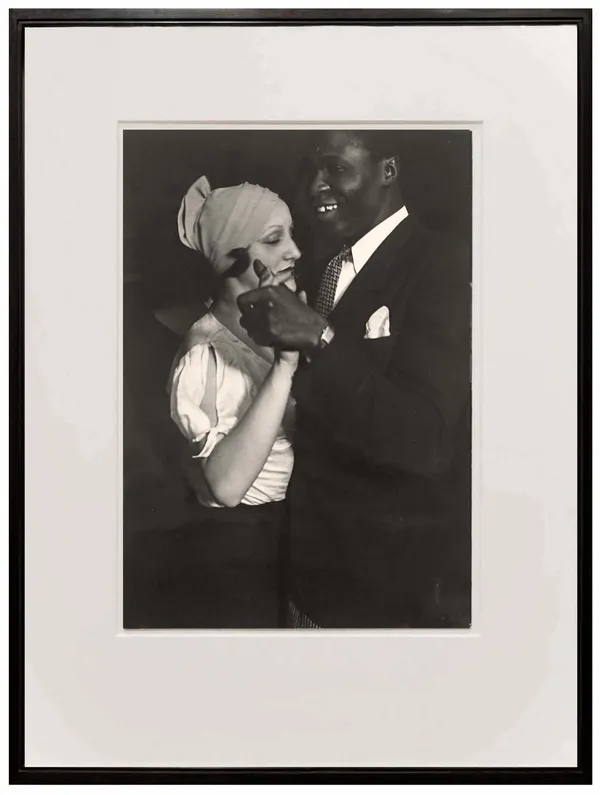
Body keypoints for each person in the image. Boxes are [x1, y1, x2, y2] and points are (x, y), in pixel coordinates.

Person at [238, 130, 472, 629]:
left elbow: (428, 438)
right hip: (305, 570)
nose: (315, 187)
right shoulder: (322, 265)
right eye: (311, 170)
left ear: (389, 170)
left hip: (378, 591)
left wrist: (318, 336)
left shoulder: (442, 266)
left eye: (336, 168)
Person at [167, 176, 301, 628]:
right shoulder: (204, 353)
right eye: (274, 239)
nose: (295, 251)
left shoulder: (278, 321)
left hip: (290, 534)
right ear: (231, 258)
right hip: (241, 552)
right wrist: (285, 367)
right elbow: (226, 488)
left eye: (291, 234)